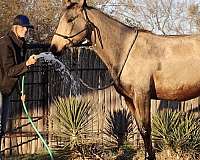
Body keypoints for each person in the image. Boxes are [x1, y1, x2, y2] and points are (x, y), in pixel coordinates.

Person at [0, 15, 37, 158]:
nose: (26, 30)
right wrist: (27, 63)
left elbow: (18, 72)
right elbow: (10, 70)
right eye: (24, 27)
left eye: (27, 28)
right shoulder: (5, 44)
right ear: (16, 28)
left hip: (7, 90)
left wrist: (21, 91)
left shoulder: (20, 44)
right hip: (1, 87)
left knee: (2, 127)